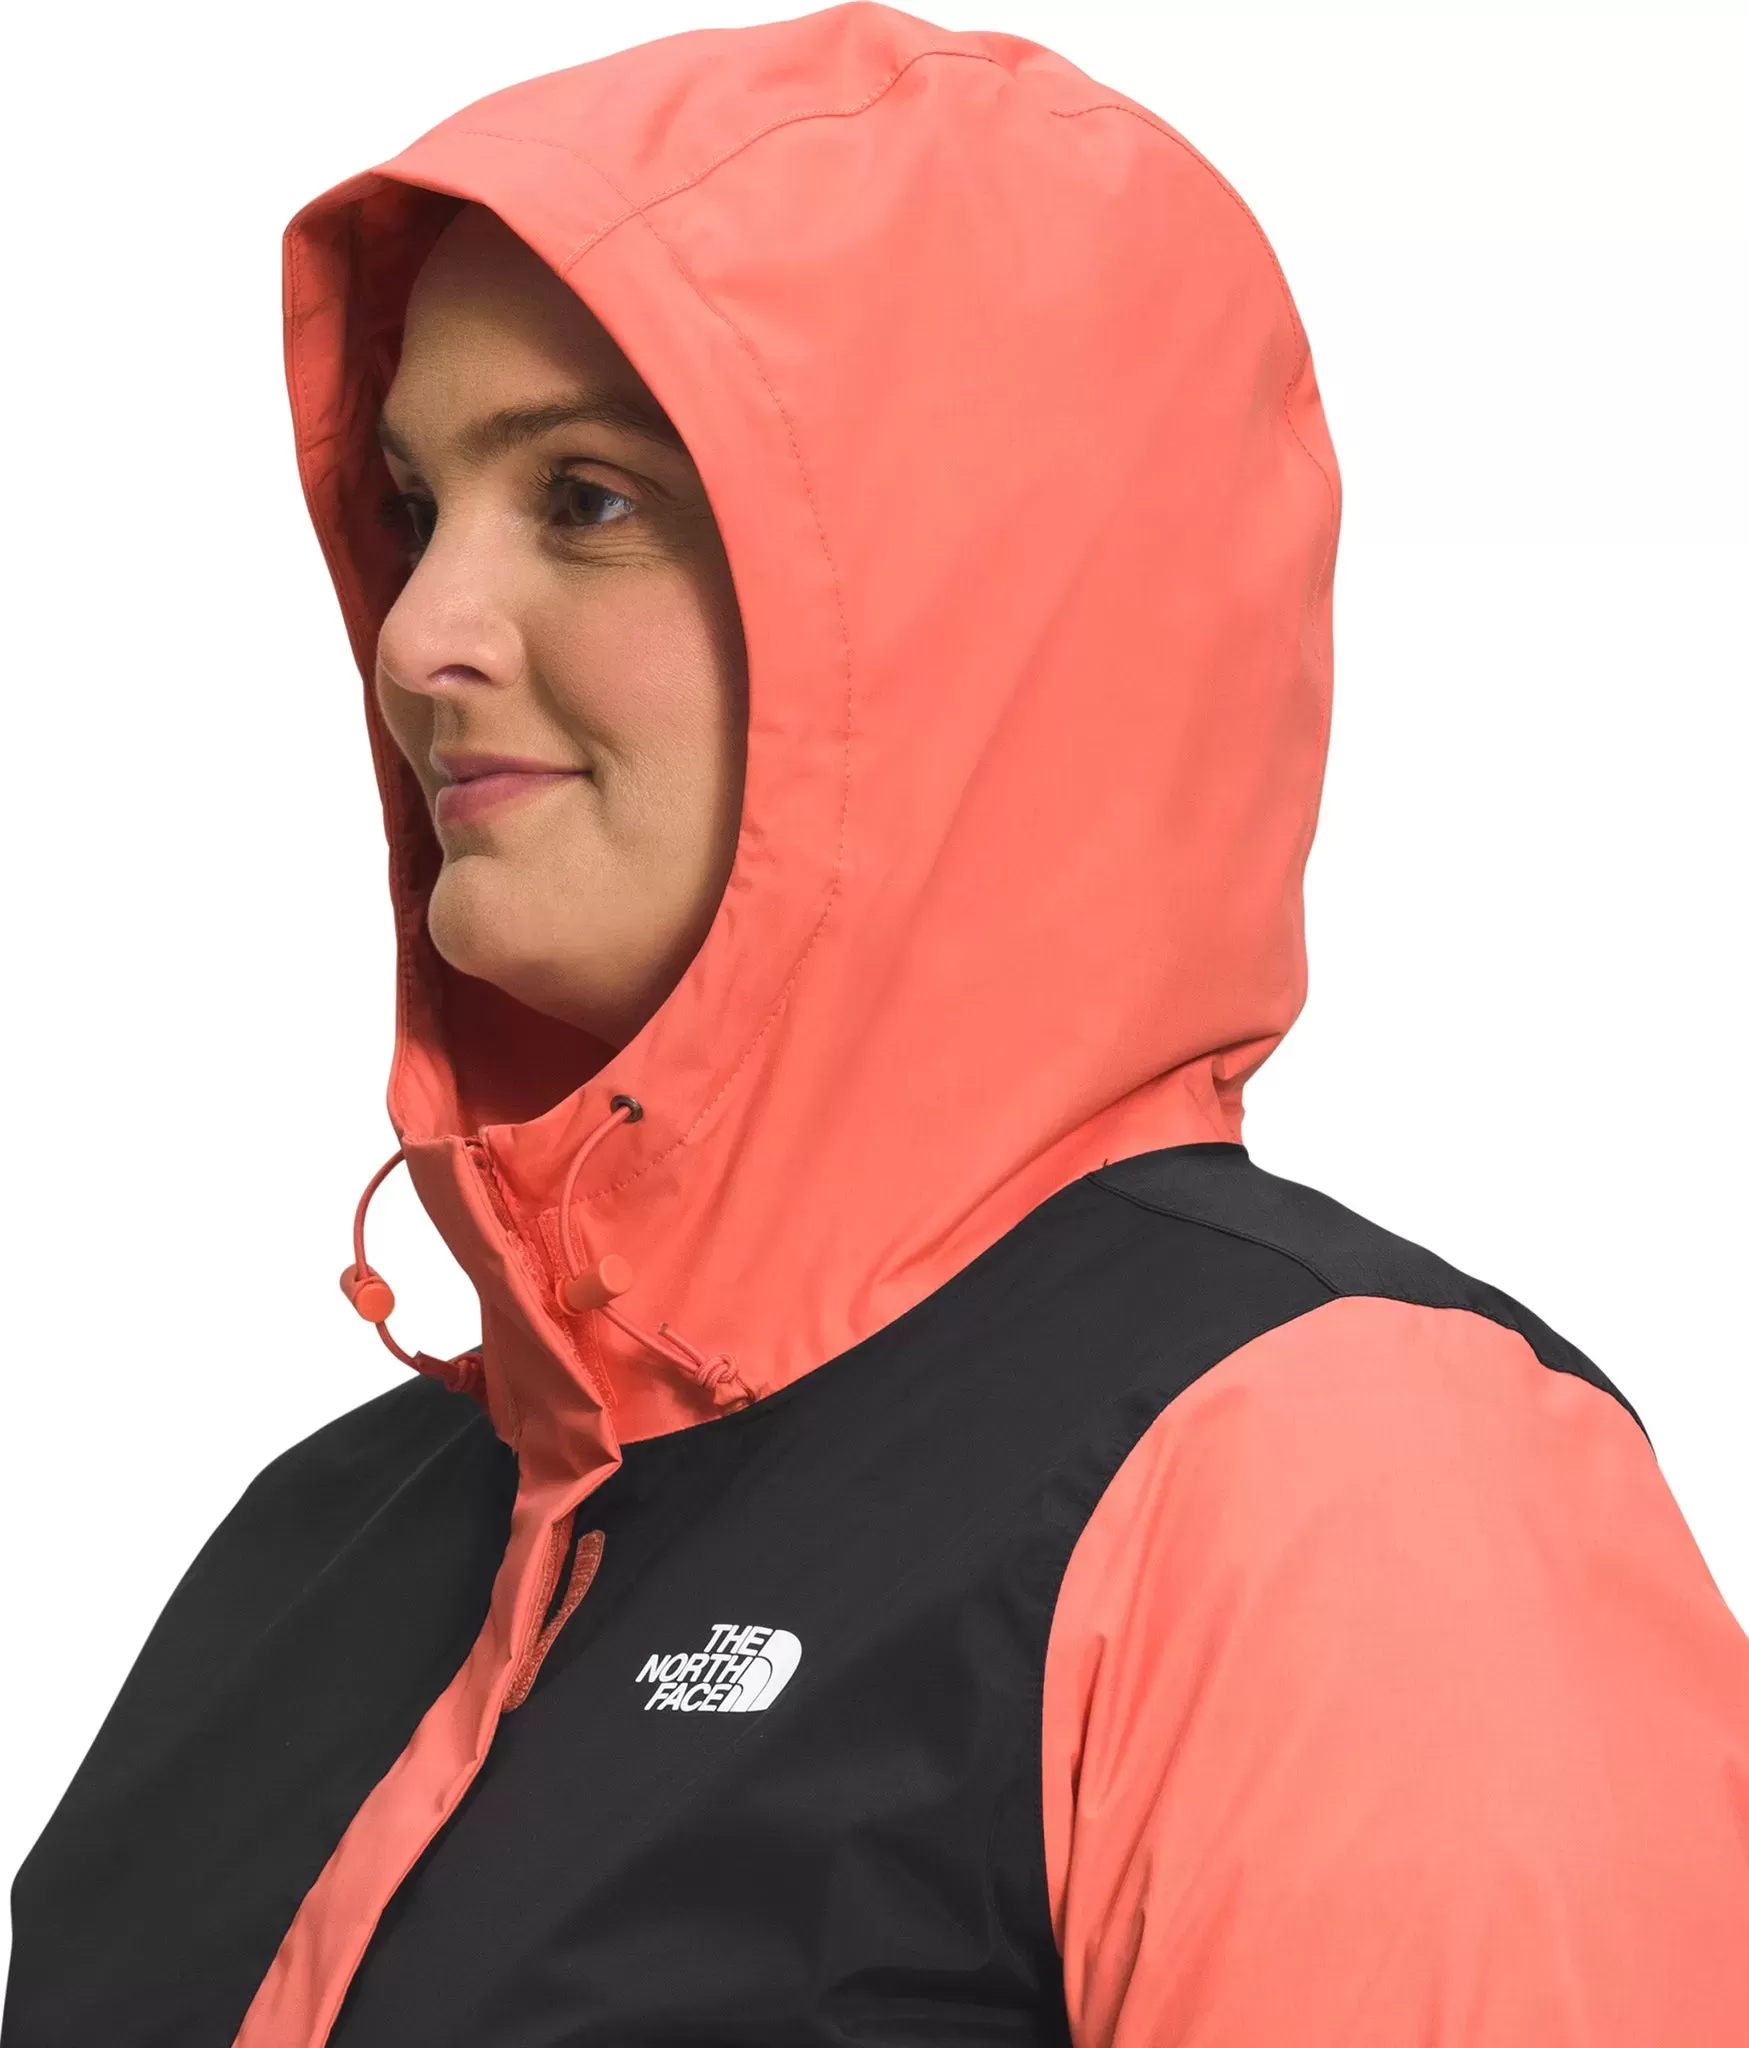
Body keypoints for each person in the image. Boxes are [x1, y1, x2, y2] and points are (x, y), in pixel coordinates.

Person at [7, 5, 1747, 2043]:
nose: (417, 634)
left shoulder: (1337, 1492)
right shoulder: (323, 1546)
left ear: (958, 603)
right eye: (411, 505)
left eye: (587, 498)